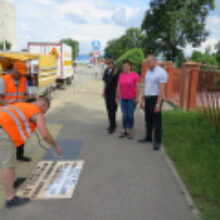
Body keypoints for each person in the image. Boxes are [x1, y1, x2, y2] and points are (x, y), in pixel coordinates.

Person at [0, 97, 62, 208]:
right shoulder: (37, 113)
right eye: (45, 111)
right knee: (7, 165)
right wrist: (56, 147)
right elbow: (45, 135)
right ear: (43, 106)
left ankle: (13, 181)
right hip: (3, 132)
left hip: (4, 127)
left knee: (11, 159)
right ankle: (10, 199)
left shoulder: (23, 105)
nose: (44, 113)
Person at [0, 61, 31, 162]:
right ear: (13, 70)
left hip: (18, 113)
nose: (20, 75)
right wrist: (10, 108)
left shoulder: (23, 80)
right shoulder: (3, 80)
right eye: (19, 73)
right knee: (7, 138)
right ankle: (6, 159)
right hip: (5, 114)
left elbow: (26, 94)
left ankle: (19, 155)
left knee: (21, 134)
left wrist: (24, 101)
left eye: (22, 74)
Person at [139, 55, 168, 151]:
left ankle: (157, 141)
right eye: (147, 61)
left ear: (155, 61)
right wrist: (142, 100)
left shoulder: (161, 73)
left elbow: (161, 90)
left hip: (155, 99)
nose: (147, 63)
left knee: (156, 122)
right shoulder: (148, 72)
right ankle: (148, 137)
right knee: (148, 120)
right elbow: (146, 87)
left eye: (149, 61)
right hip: (147, 98)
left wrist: (158, 104)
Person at [116, 59, 140, 139]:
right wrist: (117, 96)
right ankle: (124, 129)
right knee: (124, 114)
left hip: (131, 98)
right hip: (123, 98)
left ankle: (130, 130)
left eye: (127, 66)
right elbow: (119, 86)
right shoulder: (121, 75)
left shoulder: (135, 75)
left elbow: (138, 87)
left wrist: (137, 98)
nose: (125, 67)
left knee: (130, 114)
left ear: (130, 66)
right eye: (124, 66)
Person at [102, 59, 119, 134]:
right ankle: (112, 124)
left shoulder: (117, 71)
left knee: (112, 109)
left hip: (114, 93)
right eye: (107, 64)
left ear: (113, 64)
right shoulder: (106, 71)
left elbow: (118, 84)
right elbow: (105, 82)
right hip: (107, 93)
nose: (108, 65)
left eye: (110, 64)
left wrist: (117, 96)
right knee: (108, 109)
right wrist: (103, 91)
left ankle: (113, 126)